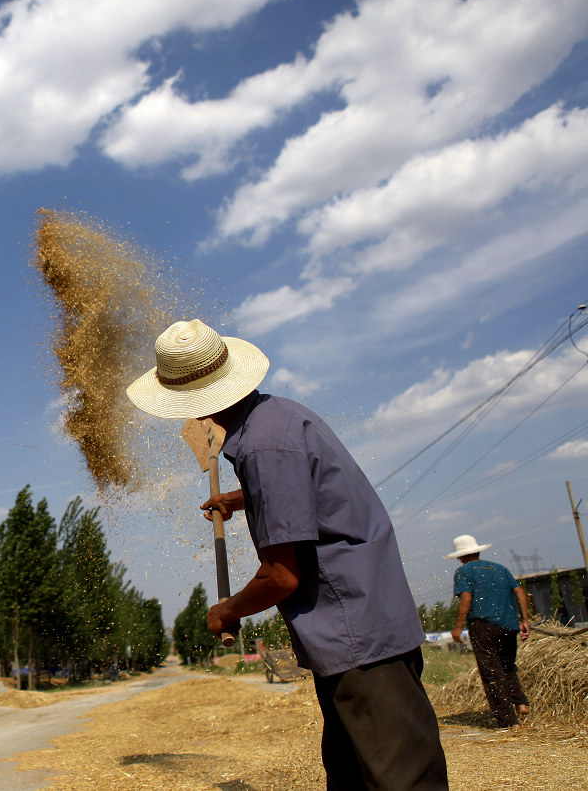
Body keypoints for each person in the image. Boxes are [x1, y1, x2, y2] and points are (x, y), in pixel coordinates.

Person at [127, 319, 448, 791]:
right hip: (363, 627)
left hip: (355, 634)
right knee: (351, 773)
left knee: (400, 779)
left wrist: (226, 610)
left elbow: (282, 576)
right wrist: (244, 498)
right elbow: (305, 492)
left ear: (197, 405)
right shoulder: (278, 417)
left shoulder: (262, 447)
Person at [445, 535, 530, 730]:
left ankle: (509, 722)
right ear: (478, 551)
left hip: (483, 625)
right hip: (509, 625)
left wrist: (458, 626)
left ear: (460, 556)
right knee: (508, 665)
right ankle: (521, 703)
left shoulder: (463, 571)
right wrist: (524, 619)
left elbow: (466, 597)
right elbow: (520, 592)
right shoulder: (500, 568)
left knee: (492, 672)